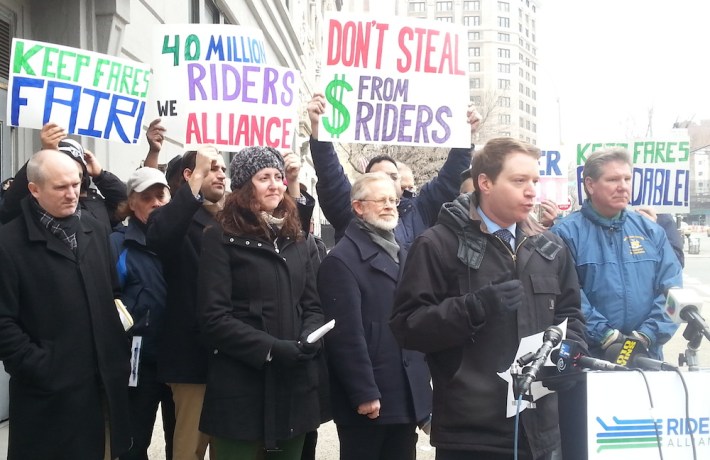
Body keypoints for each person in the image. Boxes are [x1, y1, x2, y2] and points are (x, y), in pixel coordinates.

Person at [390, 138, 587, 459]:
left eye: (534, 181)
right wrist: (474, 308)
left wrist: (569, 352)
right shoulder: (438, 244)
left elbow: (571, 316)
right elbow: (407, 326)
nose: (531, 191)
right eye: (519, 180)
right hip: (472, 434)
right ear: (485, 183)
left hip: (541, 429)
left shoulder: (550, 247)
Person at [0, 149, 131, 459]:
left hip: (103, 385)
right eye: (61, 187)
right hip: (48, 396)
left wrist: (117, 350)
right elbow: (3, 323)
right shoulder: (8, 244)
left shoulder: (94, 228)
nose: (72, 194)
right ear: (34, 189)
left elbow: (112, 292)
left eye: (76, 184)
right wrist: (43, 366)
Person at [197, 146, 324, 459]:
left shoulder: (297, 237)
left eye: (278, 177)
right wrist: (270, 348)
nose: (275, 184)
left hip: (292, 387)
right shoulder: (219, 236)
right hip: (240, 390)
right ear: (243, 186)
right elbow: (214, 318)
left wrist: (310, 337)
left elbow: (312, 305)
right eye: (264, 177)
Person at [318, 172, 432, 460]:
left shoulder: (402, 253)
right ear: (358, 207)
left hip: (404, 394)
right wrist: (364, 392)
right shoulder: (341, 260)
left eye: (393, 200)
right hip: (370, 400)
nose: (389, 206)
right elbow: (345, 337)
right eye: (380, 200)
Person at [551, 147, 683, 361]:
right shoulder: (565, 234)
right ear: (590, 185)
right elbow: (567, 295)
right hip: (591, 356)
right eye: (613, 179)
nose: (623, 187)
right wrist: (606, 335)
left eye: (627, 179)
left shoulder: (651, 230)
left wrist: (647, 335)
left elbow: (672, 288)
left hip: (646, 354)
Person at [307, 93, 480, 250]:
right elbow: (331, 176)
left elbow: (449, 180)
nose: (387, 182)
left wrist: (466, 136)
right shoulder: (350, 211)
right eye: (379, 177)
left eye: (393, 176)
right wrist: (319, 130)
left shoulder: (420, 209)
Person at [146, 146, 227, 460]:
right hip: (192, 359)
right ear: (189, 176)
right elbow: (161, 235)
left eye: (222, 168)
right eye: (211, 168)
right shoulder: (174, 219)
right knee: (188, 449)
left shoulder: (232, 220)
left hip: (231, 356)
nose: (219, 173)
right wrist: (196, 179)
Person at [110, 167, 176, 460]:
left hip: (180, 361)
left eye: (160, 195)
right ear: (131, 204)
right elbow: (108, 301)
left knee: (183, 445)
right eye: (146, 197)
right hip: (139, 362)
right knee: (134, 444)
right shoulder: (118, 244)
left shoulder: (186, 238)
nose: (156, 203)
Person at [0, 123, 127, 228]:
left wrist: (101, 175)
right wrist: (46, 152)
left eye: (75, 178)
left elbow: (125, 201)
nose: (71, 195)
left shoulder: (96, 203)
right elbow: (9, 208)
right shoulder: (39, 203)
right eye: (60, 185)